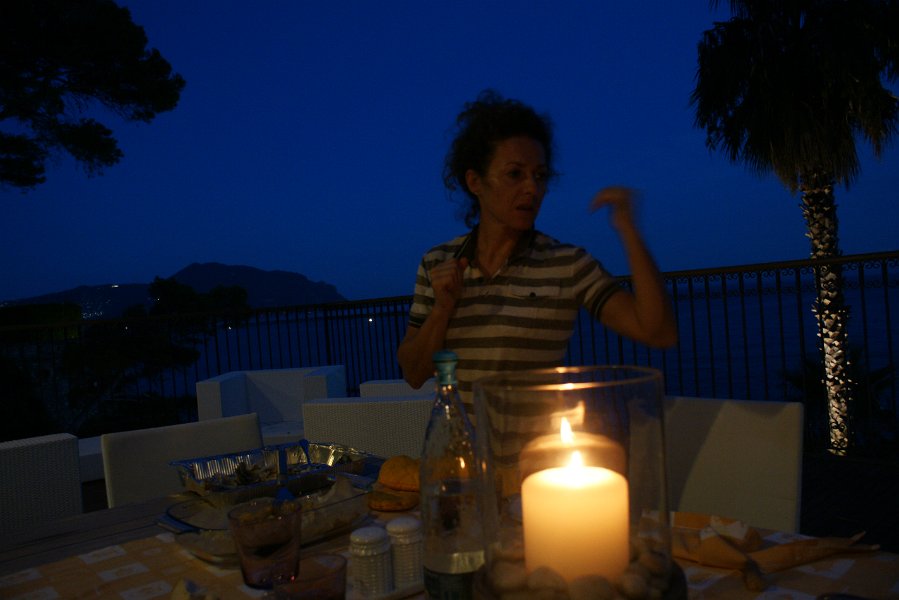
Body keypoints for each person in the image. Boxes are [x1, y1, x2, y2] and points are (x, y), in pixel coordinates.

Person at [397, 90, 677, 415]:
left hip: (537, 449)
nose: (532, 187)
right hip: (462, 447)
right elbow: (414, 374)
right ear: (475, 181)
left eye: (540, 176)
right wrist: (442, 309)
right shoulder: (437, 263)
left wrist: (628, 229)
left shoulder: (567, 264)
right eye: (515, 174)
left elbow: (658, 332)